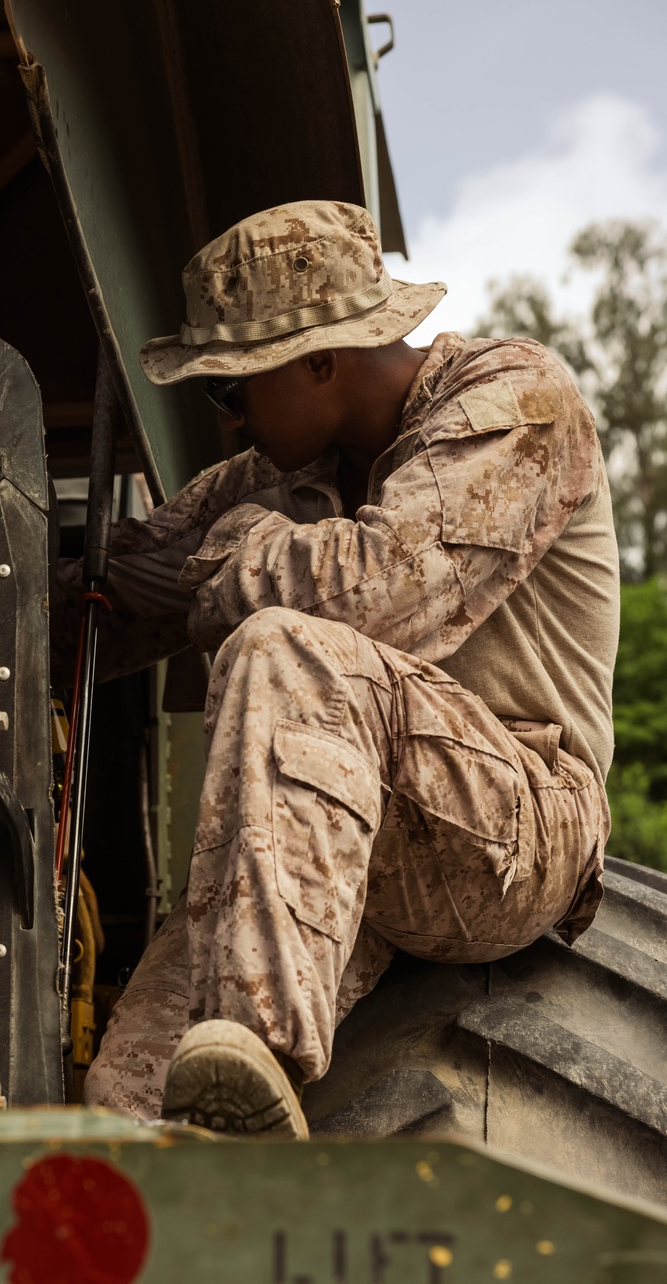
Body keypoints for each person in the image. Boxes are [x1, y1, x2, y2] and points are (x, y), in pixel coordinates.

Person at [60, 200, 617, 1139]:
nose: (229, 422)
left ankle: (256, 1061)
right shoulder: (269, 480)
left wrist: (228, 559)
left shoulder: (515, 401)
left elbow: (368, 600)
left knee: (283, 645)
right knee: (127, 1101)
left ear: (323, 358)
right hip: (341, 822)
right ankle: (185, 1190)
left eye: (231, 389)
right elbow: (117, 589)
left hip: (518, 820)